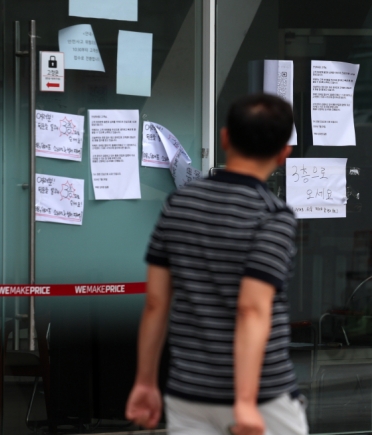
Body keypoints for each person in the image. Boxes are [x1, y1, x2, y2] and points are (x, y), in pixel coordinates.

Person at [125, 93, 308, 435]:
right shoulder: (271, 215)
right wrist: (244, 401)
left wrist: (146, 382)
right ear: (285, 154)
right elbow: (251, 310)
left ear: (225, 138)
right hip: (262, 395)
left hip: (188, 391)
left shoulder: (179, 203)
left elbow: (155, 303)